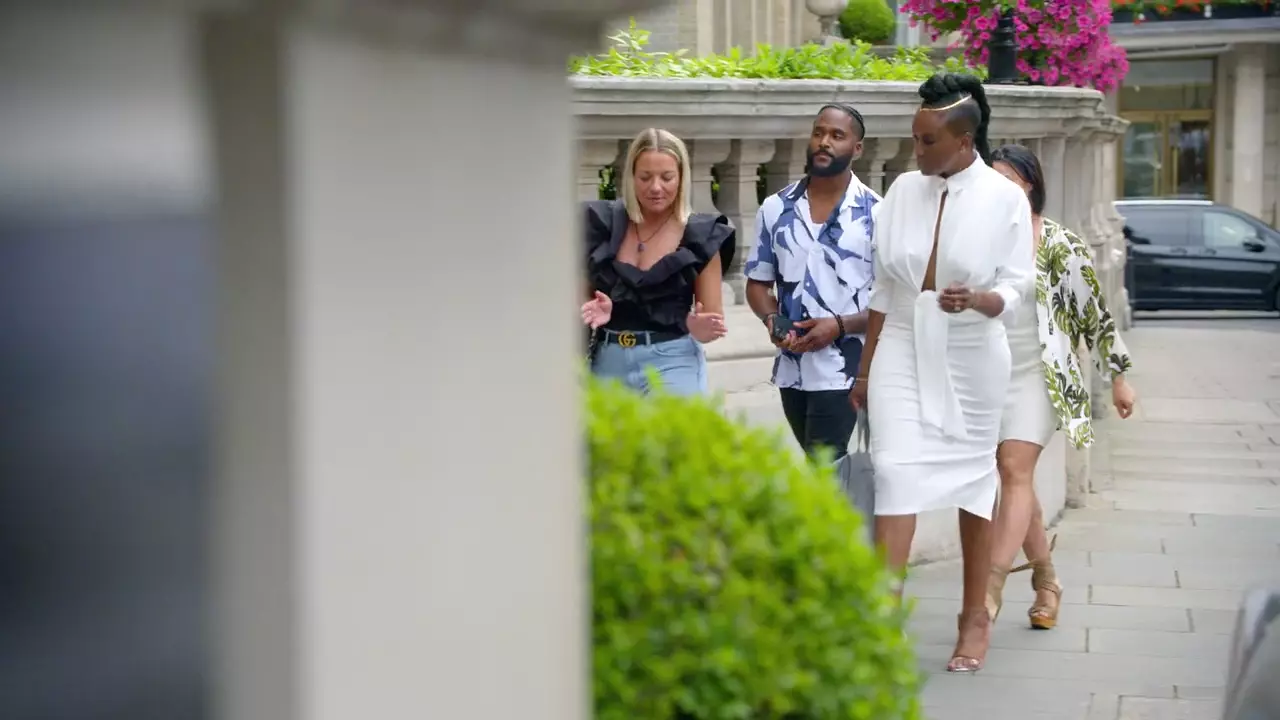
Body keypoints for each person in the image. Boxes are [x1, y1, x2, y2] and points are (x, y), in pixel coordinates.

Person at [848, 73, 1035, 673]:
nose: (916, 150)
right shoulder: (903, 190)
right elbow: (883, 290)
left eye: (927, 141)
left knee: (975, 487)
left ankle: (975, 616)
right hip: (903, 343)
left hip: (973, 354)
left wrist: (978, 299)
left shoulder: (1004, 198)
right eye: (914, 137)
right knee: (894, 473)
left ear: (963, 140)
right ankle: (883, 619)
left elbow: (1018, 286)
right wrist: (864, 373)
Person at [985, 143, 1137, 629]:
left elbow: (1095, 313)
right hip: (986, 375)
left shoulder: (1058, 243)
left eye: (1007, 180)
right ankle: (1047, 580)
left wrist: (1118, 377)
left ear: (1029, 185)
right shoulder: (979, 238)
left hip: (1040, 375)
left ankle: (987, 592)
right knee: (1015, 482)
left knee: (1014, 469)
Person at [743, 103, 880, 461]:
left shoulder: (877, 214)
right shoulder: (775, 208)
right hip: (792, 369)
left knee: (825, 467)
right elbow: (757, 283)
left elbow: (893, 302)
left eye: (837, 135)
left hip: (846, 370)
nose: (824, 142)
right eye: (819, 133)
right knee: (818, 468)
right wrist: (772, 318)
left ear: (857, 148)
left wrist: (839, 326)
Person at [581, 128, 735, 396]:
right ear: (631, 176)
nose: (655, 187)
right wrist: (591, 308)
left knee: (670, 425)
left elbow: (711, 321)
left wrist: (696, 326)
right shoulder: (601, 225)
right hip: (609, 359)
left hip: (672, 359)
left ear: (682, 178)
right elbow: (576, 303)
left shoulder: (701, 235)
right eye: (645, 177)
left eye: (666, 177)